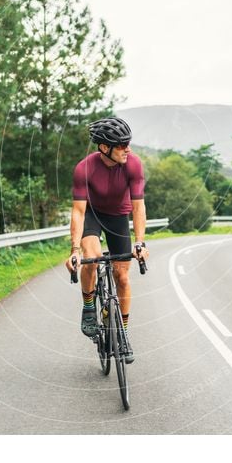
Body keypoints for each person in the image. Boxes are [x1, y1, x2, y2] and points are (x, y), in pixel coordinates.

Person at [65, 117, 149, 364]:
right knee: (92, 260)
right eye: (122, 145)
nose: (128, 149)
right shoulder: (84, 168)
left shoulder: (133, 164)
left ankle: (122, 332)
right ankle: (89, 307)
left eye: (128, 143)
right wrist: (74, 249)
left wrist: (140, 242)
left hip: (118, 217)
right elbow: (78, 211)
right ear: (104, 148)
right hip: (92, 215)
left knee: (122, 276)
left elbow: (138, 207)